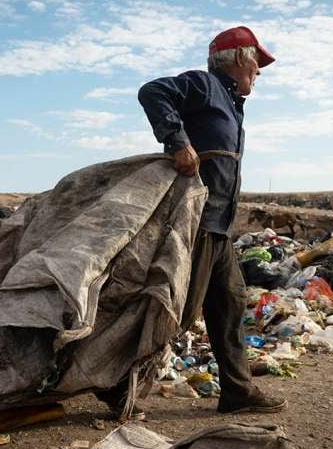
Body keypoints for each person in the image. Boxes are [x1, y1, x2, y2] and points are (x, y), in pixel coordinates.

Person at [112, 25, 286, 418]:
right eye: (256, 63)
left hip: (219, 226)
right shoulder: (205, 85)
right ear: (240, 59)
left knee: (230, 302)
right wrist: (178, 142)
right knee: (179, 310)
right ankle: (119, 387)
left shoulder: (228, 103)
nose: (259, 71)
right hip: (196, 223)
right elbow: (153, 92)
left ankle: (237, 393)